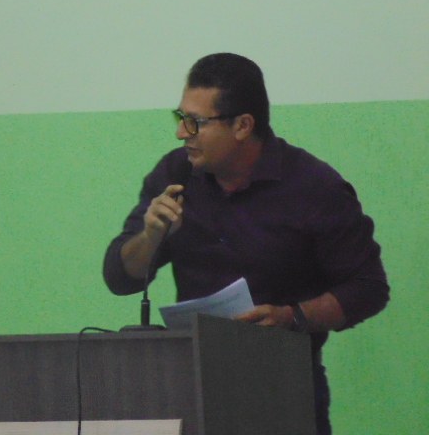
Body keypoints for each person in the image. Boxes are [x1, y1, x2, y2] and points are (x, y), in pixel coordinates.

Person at [102, 53, 390, 434]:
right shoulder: (174, 174)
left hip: (284, 386)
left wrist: (293, 317)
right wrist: (150, 236)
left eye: (195, 122)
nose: (181, 133)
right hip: (193, 385)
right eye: (181, 117)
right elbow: (119, 277)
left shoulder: (315, 188)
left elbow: (368, 288)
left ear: (242, 125)